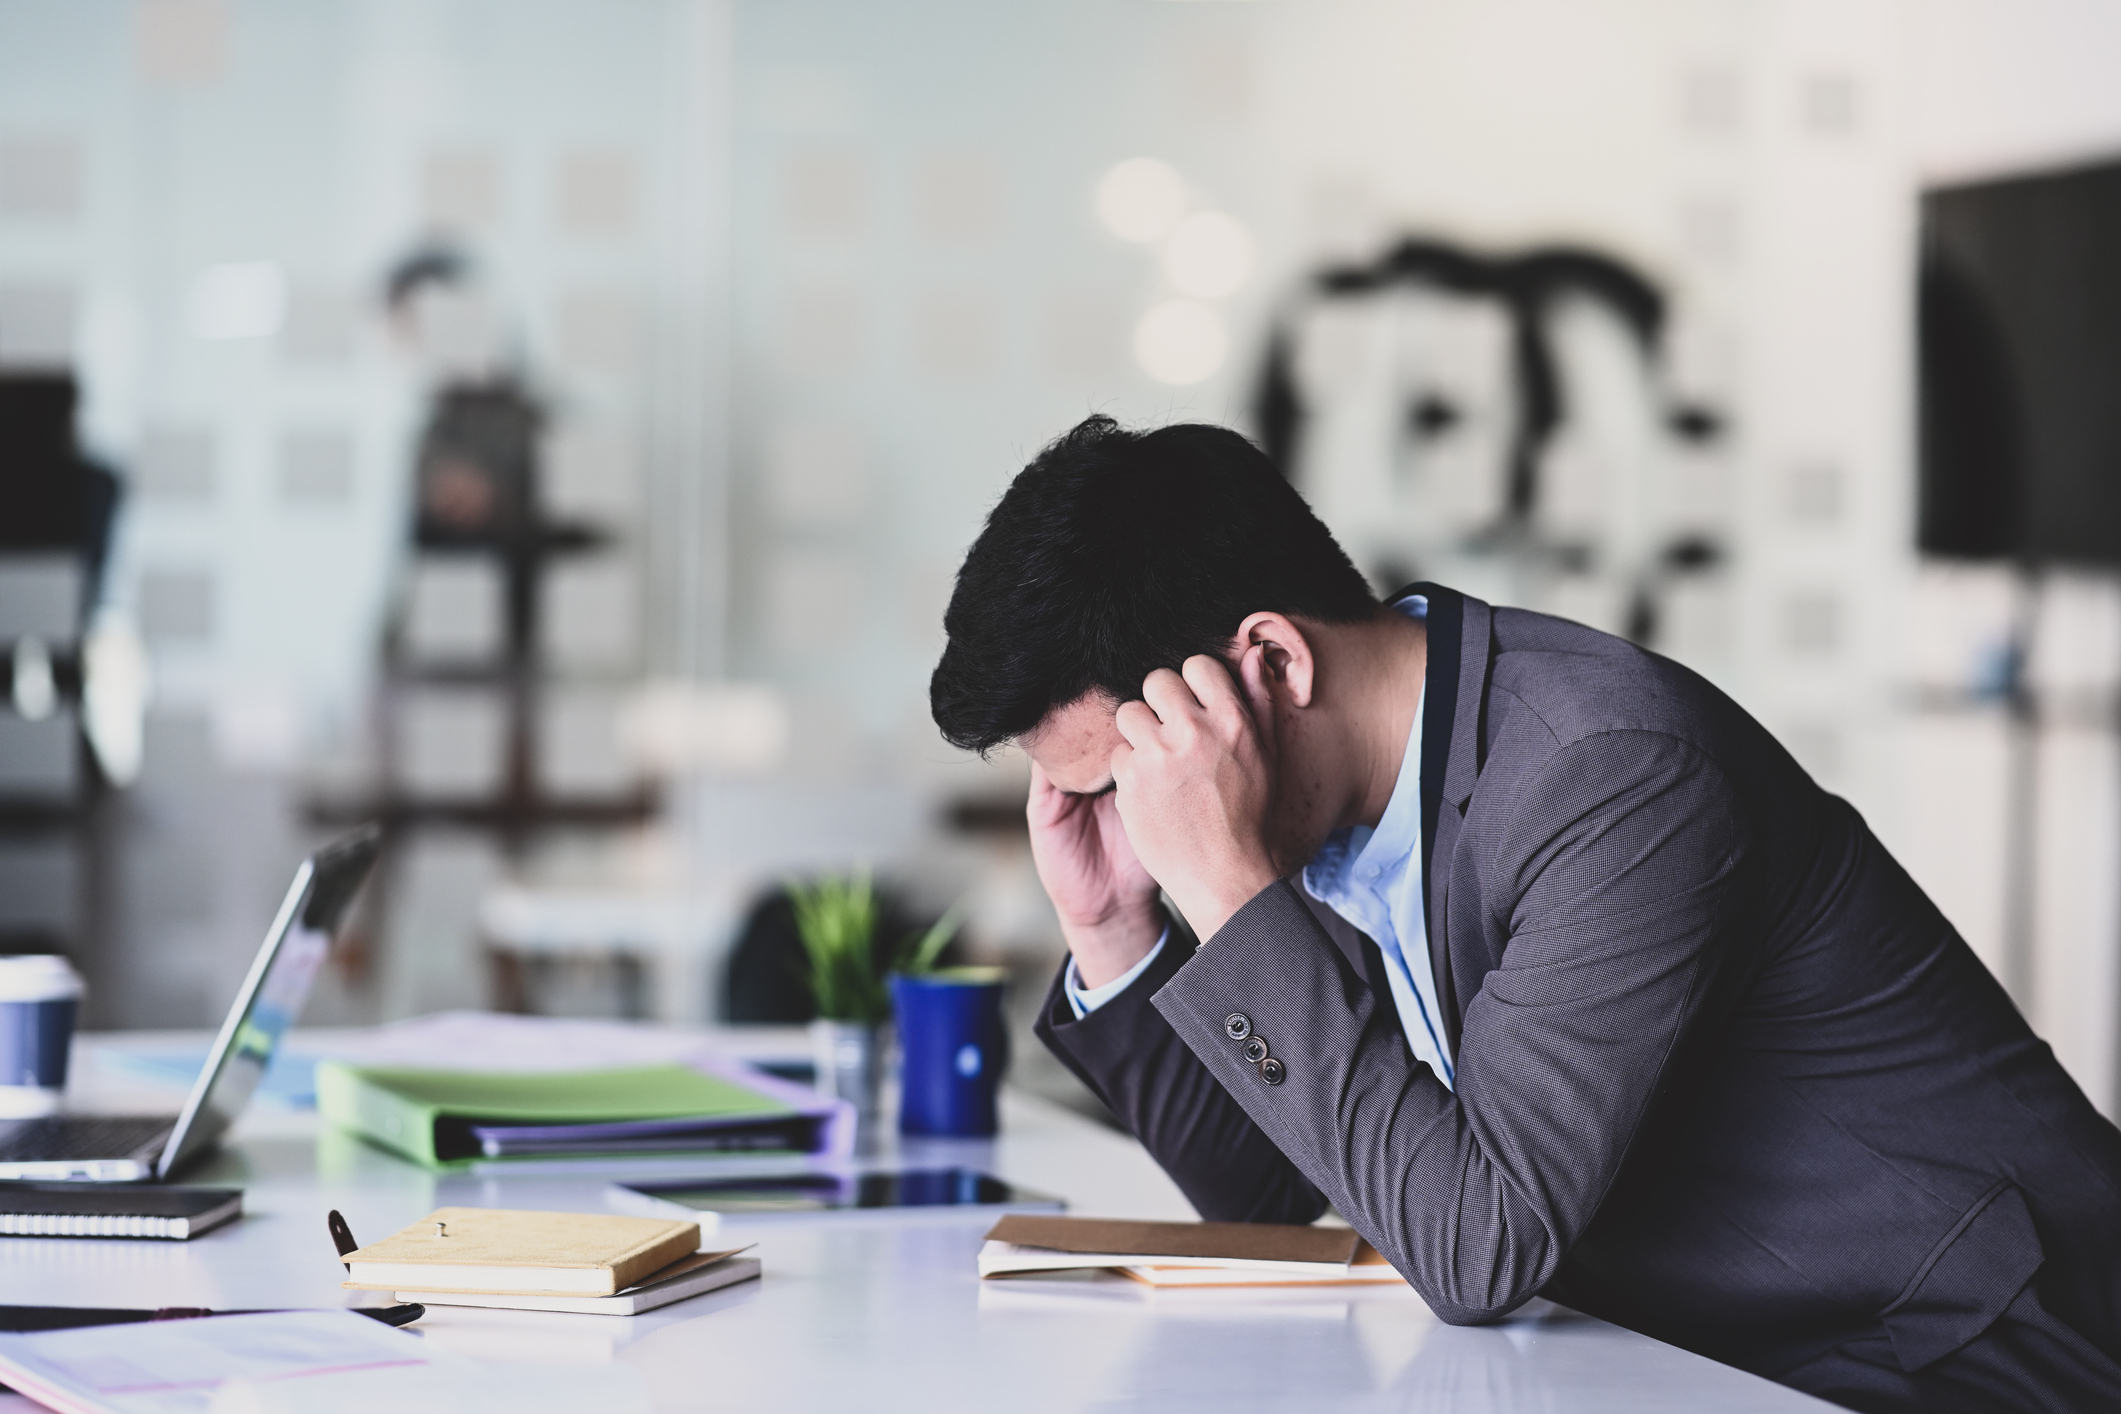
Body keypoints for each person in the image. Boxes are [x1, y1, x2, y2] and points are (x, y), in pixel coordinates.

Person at [928, 415, 2121, 1413]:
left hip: (1964, 1352)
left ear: (1272, 667)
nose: (1128, 812)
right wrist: (1115, 929)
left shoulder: (1608, 774)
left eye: (1121, 773)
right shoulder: (1334, 791)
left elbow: (1476, 1246)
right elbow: (1267, 1192)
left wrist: (1232, 895)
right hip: (1702, 1357)